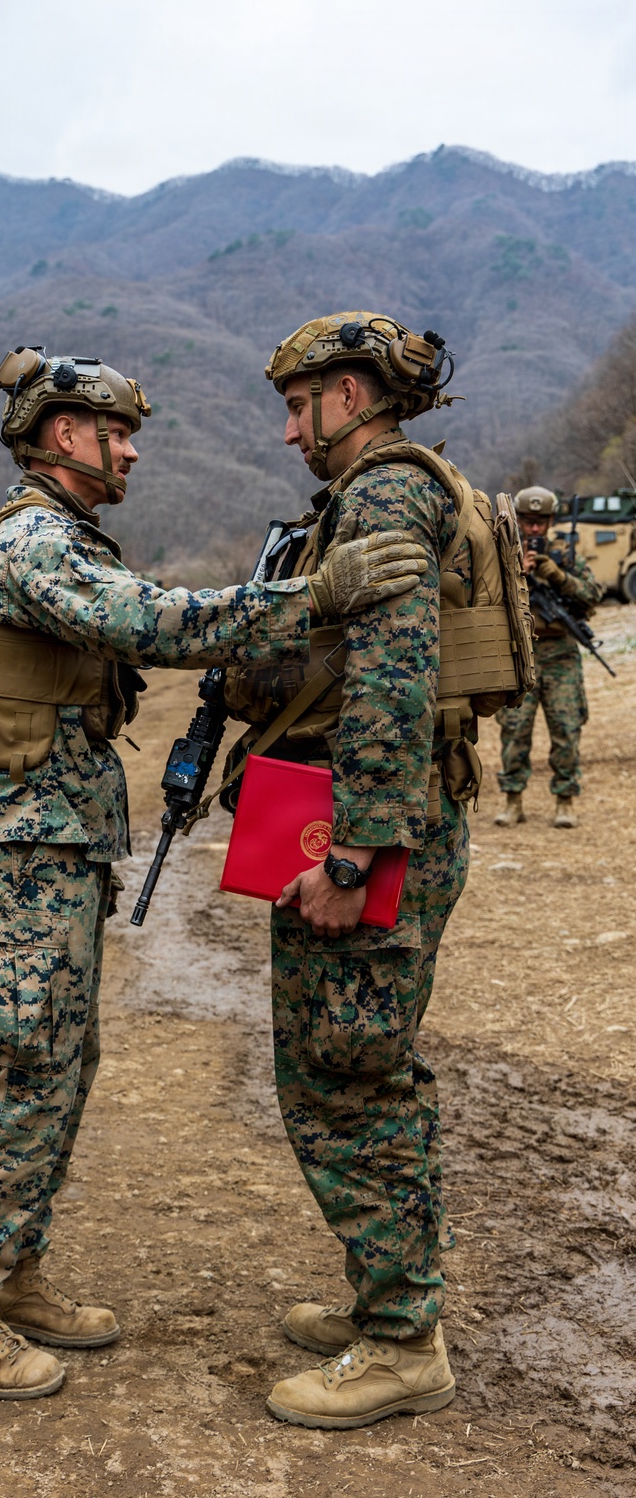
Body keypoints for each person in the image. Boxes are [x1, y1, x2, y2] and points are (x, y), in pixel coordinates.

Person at [0, 347, 429, 1400]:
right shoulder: (33, 543)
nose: (132, 451)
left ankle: (12, 1272)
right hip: (21, 852)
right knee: (23, 1069)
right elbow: (151, 620)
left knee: (59, 1064)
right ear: (66, 435)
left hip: (49, 846)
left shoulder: (48, 535)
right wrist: (312, 597)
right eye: (117, 434)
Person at [224, 311, 499, 1430]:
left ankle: (401, 1342)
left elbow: (388, 682)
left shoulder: (385, 493)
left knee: (345, 1079)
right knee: (367, 1069)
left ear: (352, 393)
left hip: (369, 830)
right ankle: (387, 1299)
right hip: (397, 817)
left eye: (300, 405)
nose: (292, 432)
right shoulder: (418, 486)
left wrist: (351, 855)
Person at [494, 486, 602, 829]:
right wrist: (518, 573)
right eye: (528, 521)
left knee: (567, 729)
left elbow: (592, 598)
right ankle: (513, 801)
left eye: (541, 521)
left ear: (551, 521)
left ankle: (565, 800)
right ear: (518, 520)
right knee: (514, 731)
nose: (535, 529)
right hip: (520, 653)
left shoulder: (566, 555)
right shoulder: (501, 553)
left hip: (561, 655)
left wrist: (557, 576)